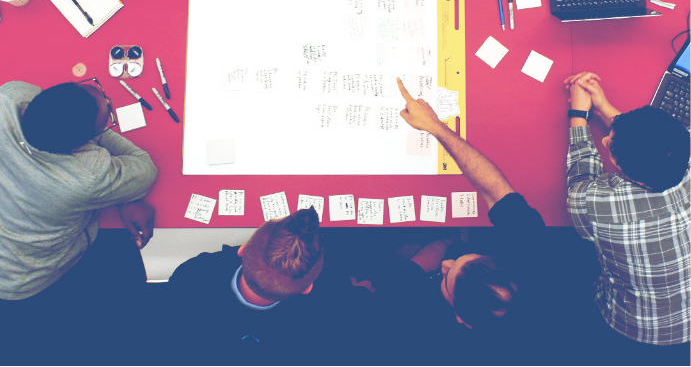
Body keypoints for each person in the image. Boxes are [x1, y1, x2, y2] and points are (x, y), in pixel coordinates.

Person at [371, 79, 548, 365]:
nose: (445, 264)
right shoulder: (537, 254)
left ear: (461, 320)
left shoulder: (426, 338)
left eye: (446, 280)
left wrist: (446, 241)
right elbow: (495, 190)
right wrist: (435, 125)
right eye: (463, 261)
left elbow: (405, 283)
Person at [0, 79, 158, 363]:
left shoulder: (9, 98)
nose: (108, 100)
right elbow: (143, 167)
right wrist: (101, 129)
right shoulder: (86, 177)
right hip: (22, 280)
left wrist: (94, 125)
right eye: (106, 108)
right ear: (82, 142)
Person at [564, 72, 691, 356]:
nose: (606, 143)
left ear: (623, 170)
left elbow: (579, 180)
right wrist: (604, 108)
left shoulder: (596, 204)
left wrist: (578, 114)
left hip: (633, 329)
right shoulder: (684, 150)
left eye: (610, 146)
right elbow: (652, 145)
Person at [164, 207, 376, 366]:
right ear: (307, 288)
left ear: (242, 250)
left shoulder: (193, 273)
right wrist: (360, 292)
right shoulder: (330, 310)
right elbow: (353, 306)